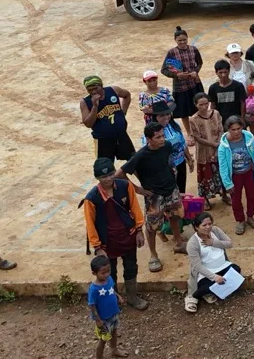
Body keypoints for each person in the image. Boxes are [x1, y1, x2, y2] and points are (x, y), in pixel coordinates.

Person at [119, 122, 185, 272]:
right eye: (158, 137)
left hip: (171, 189)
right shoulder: (141, 155)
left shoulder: (166, 146)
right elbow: (120, 173)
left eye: (162, 135)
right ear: (148, 139)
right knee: (152, 227)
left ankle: (178, 242)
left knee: (175, 216)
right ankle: (153, 255)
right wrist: (137, 189)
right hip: (154, 196)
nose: (162, 139)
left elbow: (167, 162)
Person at [80, 158, 145, 308]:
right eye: (104, 177)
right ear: (97, 178)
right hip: (107, 242)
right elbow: (90, 224)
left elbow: (135, 209)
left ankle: (132, 297)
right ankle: (113, 299)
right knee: (110, 271)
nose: (108, 179)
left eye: (111, 174)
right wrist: (97, 247)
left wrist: (139, 230)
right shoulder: (91, 199)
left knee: (131, 266)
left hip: (127, 235)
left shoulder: (125, 186)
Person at [184, 212, 241, 313]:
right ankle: (195, 296)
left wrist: (213, 242)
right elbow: (197, 266)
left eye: (210, 224)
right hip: (207, 272)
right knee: (207, 285)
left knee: (236, 269)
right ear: (196, 227)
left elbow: (229, 243)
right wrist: (214, 277)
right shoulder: (192, 243)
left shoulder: (215, 230)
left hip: (223, 265)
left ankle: (213, 289)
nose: (208, 227)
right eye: (204, 225)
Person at [217, 116, 254, 235]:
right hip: (234, 176)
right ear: (228, 129)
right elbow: (222, 166)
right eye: (233, 129)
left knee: (252, 196)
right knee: (236, 200)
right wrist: (227, 183)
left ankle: (250, 216)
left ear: (242, 127)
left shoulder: (249, 138)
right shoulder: (223, 146)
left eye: (239, 128)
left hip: (249, 173)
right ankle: (240, 220)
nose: (236, 132)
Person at [161, 26, 205, 134]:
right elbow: (164, 70)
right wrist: (177, 75)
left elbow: (199, 63)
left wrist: (196, 71)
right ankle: (190, 133)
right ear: (175, 40)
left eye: (184, 39)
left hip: (194, 83)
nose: (182, 42)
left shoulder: (193, 49)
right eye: (179, 40)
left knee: (198, 108)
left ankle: (200, 130)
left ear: (187, 38)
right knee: (184, 112)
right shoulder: (172, 53)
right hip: (181, 87)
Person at [81, 76, 134, 161]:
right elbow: (88, 124)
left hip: (121, 135)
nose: (94, 92)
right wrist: (95, 106)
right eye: (90, 90)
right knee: (106, 168)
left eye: (96, 88)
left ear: (101, 85)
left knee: (133, 161)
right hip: (103, 140)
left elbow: (127, 95)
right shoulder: (85, 102)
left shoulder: (113, 90)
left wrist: (123, 112)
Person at [187, 93, 225, 206]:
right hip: (204, 152)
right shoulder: (193, 119)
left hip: (218, 149)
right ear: (196, 105)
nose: (204, 107)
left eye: (206, 103)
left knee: (221, 172)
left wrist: (218, 143)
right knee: (205, 175)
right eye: (201, 104)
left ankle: (224, 195)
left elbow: (221, 130)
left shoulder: (216, 113)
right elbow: (198, 138)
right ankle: (206, 199)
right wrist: (215, 144)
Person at [87, 254, 128, 359]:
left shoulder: (109, 279)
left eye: (108, 271)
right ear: (94, 273)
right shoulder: (94, 289)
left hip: (113, 313)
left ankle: (114, 350)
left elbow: (111, 290)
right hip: (103, 319)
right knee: (103, 339)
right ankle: (99, 357)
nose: (106, 274)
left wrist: (118, 296)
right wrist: (97, 319)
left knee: (114, 332)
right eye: (103, 272)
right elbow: (92, 305)